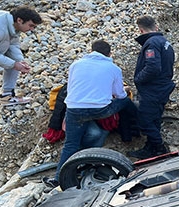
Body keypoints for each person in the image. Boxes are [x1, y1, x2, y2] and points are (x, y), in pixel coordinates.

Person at [45, 40, 139, 188]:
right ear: (109, 53)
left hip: (74, 110)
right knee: (126, 102)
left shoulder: (75, 65)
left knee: (70, 144)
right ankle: (141, 122)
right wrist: (125, 92)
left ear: (91, 50)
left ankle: (58, 179)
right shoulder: (113, 68)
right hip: (100, 110)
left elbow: (71, 88)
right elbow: (119, 95)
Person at [127, 15, 176, 159]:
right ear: (156, 27)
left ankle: (159, 148)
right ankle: (151, 147)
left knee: (145, 120)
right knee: (154, 119)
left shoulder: (152, 43)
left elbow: (153, 67)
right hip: (162, 87)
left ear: (141, 30)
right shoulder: (164, 42)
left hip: (153, 89)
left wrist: (138, 79)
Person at [0, 5, 42, 106]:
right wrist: (13, 64)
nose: (32, 29)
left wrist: (19, 62)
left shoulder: (12, 25)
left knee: (14, 62)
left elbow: (13, 44)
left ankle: (7, 97)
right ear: (19, 20)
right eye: (31, 25)